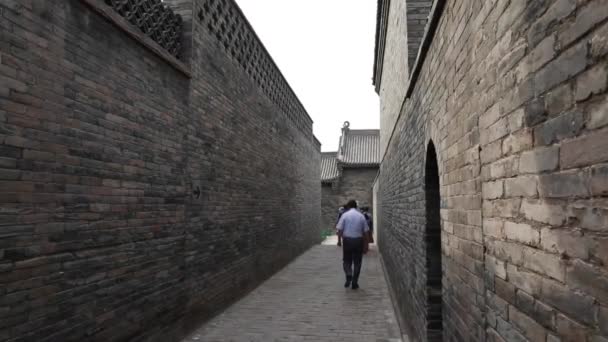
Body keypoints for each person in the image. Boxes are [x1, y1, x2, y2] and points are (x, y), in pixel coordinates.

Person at [336, 200, 370, 290]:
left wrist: (339, 241)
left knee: (347, 260)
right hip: (358, 241)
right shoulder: (361, 216)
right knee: (357, 262)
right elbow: (366, 232)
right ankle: (354, 282)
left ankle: (348, 274)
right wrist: (366, 245)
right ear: (356, 206)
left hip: (347, 240)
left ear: (349, 206)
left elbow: (339, 230)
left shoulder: (344, 215)